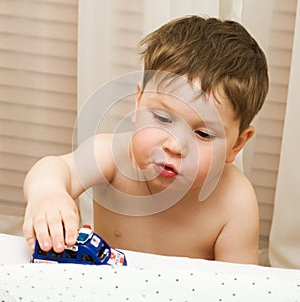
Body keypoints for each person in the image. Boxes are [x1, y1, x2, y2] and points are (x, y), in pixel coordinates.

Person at [23, 15, 268, 264]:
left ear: (236, 144)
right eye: (162, 118)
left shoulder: (235, 201)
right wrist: (48, 193)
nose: (174, 146)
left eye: (203, 134)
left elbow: (240, 286)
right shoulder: (113, 156)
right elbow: (56, 168)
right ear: (138, 103)